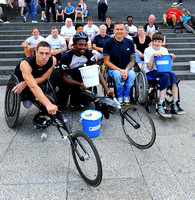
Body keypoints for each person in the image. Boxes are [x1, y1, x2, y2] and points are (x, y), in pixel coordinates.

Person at [58, 32, 113, 110]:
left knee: (87, 71)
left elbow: (96, 71)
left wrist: (106, 88)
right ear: (74, 45)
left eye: (85, 45)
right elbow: (63, 76)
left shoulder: (88, 53)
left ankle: (86, 99)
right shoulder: (67, 56)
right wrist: (79, 84)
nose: (83, 47)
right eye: (80, 45)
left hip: (81, 75)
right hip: (69, 77)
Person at [144, 32, 185, 118]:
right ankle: (161, 104)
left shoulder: (164, 50)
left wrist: (171, 58)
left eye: (159, 41)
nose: (157, 43)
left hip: (163, 71)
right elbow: (149, 67)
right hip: (151, 72)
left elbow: (168, 66)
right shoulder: (148, 50)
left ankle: (175, 103)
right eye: (155, 41)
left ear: (162, 42)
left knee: (172, 75)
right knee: (165, 76)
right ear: (152, 42)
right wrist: (153, 56)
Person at [12, 41, 58, 115]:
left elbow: (43, 78)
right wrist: (48, 104)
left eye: (47, 53)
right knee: (27, 105)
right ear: (36, 52)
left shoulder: (53, 60)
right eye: (41, 53)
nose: (44, 57)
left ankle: (36, 100)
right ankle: (28, 97)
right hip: (22, 78)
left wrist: (26, 83)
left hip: (35, 79)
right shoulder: (26, 64)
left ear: (50, 53)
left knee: (44, 87)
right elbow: (32, 86)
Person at [103, 21, 136, 105]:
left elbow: (132, 60)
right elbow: (106, 62)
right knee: (117, 75)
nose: (119, 31)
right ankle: (119, 95)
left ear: (125, 30)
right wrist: (120, 70)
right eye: (117, 29)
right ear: (113, 31)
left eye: (121, 29)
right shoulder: (108, 43)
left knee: (132, 75)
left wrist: (126, 70)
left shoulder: (130, 42)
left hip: (127, 68)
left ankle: (126, 95)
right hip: (114, 69)